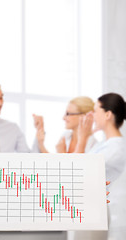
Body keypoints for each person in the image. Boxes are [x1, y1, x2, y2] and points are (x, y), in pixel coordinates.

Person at [74, 93, 126, 240]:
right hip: (88, 210)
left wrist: (82, 138)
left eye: (95, 111)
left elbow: (75, 172)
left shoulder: (115, 149)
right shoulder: (105, 145)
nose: (92, 115)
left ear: (108, 114)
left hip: (94, 211)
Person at [33, 96, 97, 153]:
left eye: (68, 114)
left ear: (83, 117)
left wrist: (62, 154)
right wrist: (41, 143)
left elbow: (76, 165)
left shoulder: (92, 145)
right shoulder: (66, 136)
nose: (63, 118)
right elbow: (55, 162)